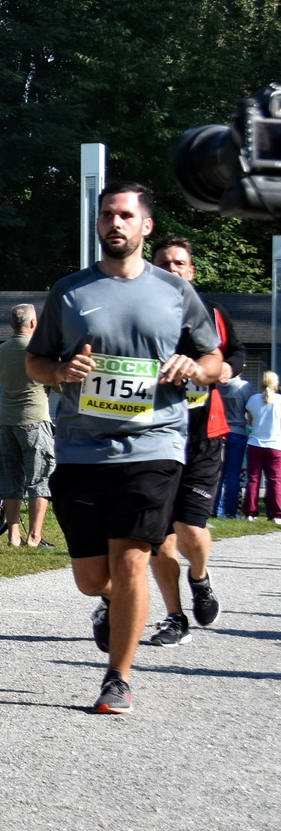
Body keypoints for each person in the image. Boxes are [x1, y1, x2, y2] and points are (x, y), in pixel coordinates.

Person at [27, 182, 220, 715]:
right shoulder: (69, 292)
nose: (115, 223)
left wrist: (192, 367)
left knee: (133, 559)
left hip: (155, 445)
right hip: (82, 449)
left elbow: (215, 361)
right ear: (99, 223)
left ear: (145, 226)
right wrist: (61, 370)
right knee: (94, 578)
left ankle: (118, 676)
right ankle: (110, 605)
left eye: (126, 216)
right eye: (107, 215)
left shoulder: (174, 292)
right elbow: (36, 363)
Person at [146, 236, 244, 647]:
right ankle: (174, 617)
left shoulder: (210, 312)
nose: (172, 270)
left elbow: (234, 354)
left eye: (179, 264)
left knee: (190, 527)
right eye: (164, 263)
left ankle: (200, 579)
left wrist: (223, 370)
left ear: (191, 271)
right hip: (150, 435)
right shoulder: (139, 313)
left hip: (203, 435)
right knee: (158, 536)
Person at [0, 303, 56, 547]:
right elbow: (55, 379)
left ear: (11, 325)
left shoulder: (1, 349)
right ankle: (35, 536)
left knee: (11, 478)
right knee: (40, 478)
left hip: (6, 421)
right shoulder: (38, 350)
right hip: (34, 420)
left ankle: (13, 535)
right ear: (33, 324)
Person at [215, 372, 254, 518]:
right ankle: (231, 510)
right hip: (237, 431)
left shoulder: (217, 384)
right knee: (233, 474)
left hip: (219, 431)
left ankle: (216, 509)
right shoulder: (243, 386)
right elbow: (249, 409)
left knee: (218, 473)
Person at [245, 371, 281, 523]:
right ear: (276, 384)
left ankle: (251, 512)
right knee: (275, 480)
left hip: (255, 443)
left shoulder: (253, 399)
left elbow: (250, 420)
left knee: (253, 479)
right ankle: (277, 514)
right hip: (275, 445)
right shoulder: (279, 400)